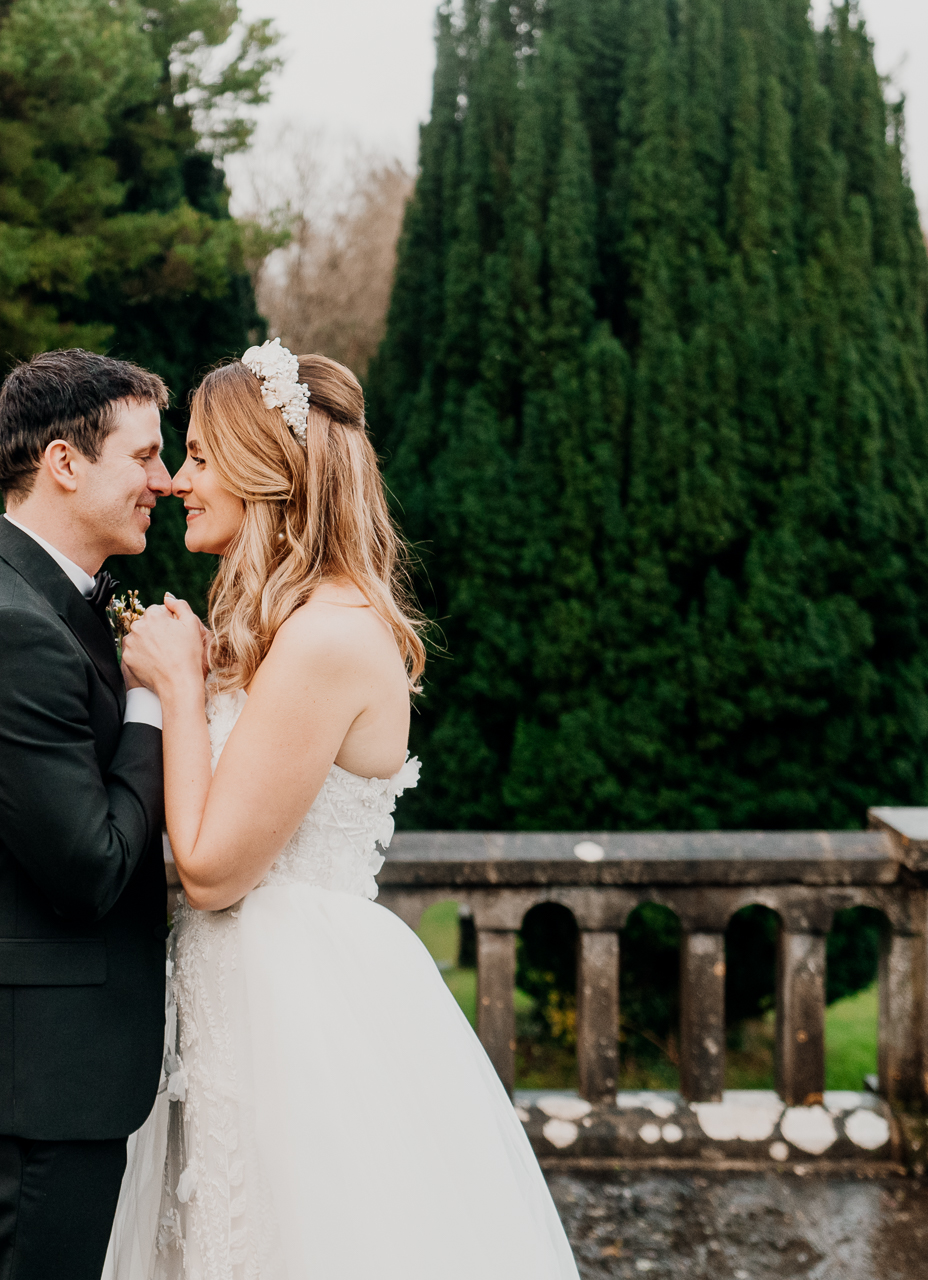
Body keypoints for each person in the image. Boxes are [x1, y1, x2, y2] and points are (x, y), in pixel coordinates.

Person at [107, 341, 580, 1279]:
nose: (178, 482)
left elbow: (208, 868)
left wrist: (175, 688)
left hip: (297, 1012)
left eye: (198, 457)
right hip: (236, 1002)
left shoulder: (326, 637)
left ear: (264, 473)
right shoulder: (287, 625)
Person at [0, 349, 176, 1279]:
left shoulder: (49, 603)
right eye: (143, 457)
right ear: (65, 463)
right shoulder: (1, 629)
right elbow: (92, 864)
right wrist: (155, 702)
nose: (164, 480)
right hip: (29, 1075)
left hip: (45, 1065)